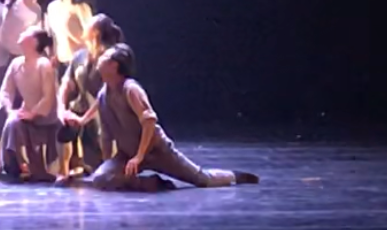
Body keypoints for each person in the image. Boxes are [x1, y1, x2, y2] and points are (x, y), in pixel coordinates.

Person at [81, 44, 259, 191]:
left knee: (202, 179)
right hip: (127, 155)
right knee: (101, 179)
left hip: (157, 151)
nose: (100, 58)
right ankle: (150, 183)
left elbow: (149, 121)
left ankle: (235, 176)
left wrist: (139, 156)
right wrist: (108, 162)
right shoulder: (103, 95)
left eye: (105, 56)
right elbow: (106, 133)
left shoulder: (130, 89)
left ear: (114, 65)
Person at [58, 14, 125, 179]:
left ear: (96, 32)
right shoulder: (80, 56)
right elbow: (67, 83)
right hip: (80, 108)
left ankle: (107, 166)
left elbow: (105, 92)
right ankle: (65, 169)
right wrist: (62, 109)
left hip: (102, 109)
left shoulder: (111, 58)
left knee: (99, 133)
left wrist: (84, 119)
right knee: (61, 123)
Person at [0, 26, 61, 182]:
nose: (21, 33)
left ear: (34, 41)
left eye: (25, 33)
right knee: (12, 121)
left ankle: (35, 166)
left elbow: (48, 97)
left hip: (46, 117)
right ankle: (13, 165)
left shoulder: (43, 64)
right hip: (27, 113)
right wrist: (10, 110)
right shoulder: (16, 63)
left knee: (16, 121)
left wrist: (33, 113)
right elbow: (5, 91)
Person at [47, 0, 97, 66]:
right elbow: (56, 36)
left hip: (81, 63)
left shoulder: (80, 8)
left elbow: (93, 36)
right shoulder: (52, 7)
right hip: (62, 63)